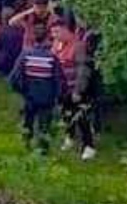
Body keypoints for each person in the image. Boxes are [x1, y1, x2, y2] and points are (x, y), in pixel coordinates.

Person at [9, 21, 63, 154]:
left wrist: (21, 91)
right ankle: (43, 151)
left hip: (29, 96)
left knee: (28, 122)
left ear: (33, 37)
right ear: (47, 38)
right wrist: (57, 96)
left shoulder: (25, 55)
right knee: (45, 125)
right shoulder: (52, 57)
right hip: (47, 98)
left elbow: (14, 77)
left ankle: (26, 147)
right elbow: (58, 80)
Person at [52, 13, 96, 161]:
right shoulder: (57, 45)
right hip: (62, 89)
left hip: (75, 88)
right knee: (66, 114)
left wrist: (78, 90)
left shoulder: (78, 46)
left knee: (81, 117)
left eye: (57, 32)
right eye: (53, 32)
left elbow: (83, 69)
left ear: (66, 30)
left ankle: (88, 146)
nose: (54, 35)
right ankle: (69, 137)